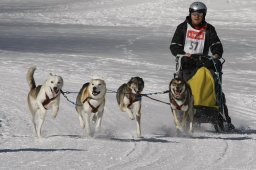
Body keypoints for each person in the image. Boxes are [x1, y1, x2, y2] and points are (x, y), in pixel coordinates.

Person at [170, 1, 235, 130]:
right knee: (183, 87)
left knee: (215, 83)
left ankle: (220, 113)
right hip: (187, 63)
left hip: (203, 62)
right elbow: (174, 45)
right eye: (194, 13)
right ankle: (183, 114)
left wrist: (216, 53)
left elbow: (216, 44)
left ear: (204, 15)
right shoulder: (182, 28)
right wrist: (182, 53)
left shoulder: (209, 28)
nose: (196, 16)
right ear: (190, 14)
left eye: (199, 13)